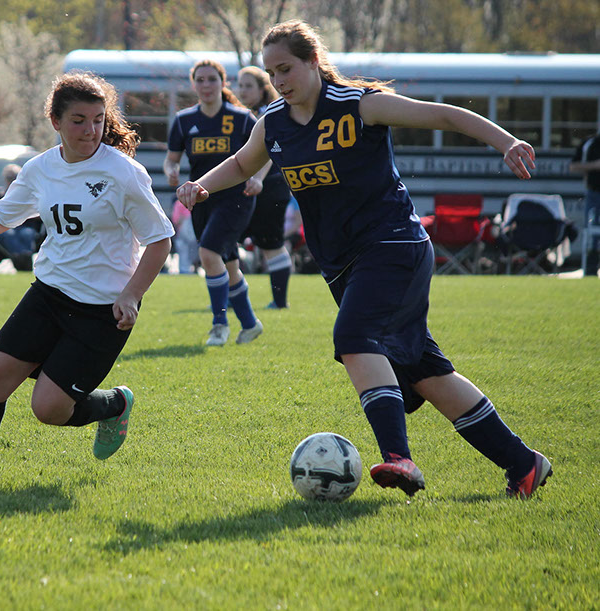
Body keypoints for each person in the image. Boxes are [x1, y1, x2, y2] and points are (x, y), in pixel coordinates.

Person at [176, 19, 551, 499]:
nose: (280, 80)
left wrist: (506, 141)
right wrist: (203, 184)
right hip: (344, 263)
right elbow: (243, 163)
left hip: (394, 245)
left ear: (313, 61)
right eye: (272, 73)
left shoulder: (359, 104)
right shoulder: (272, 122)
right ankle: (523, 463)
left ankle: (399, 458)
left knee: (354, 336)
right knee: (425, 372)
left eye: (287, 68)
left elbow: (446, 116)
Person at [0, 71, 173, 485]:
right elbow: (1, 216)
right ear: (55, 121)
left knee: (48, 409)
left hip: (102, 311)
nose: (91, 130)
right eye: (79, 120)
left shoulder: (123, 174)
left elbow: (160, 241)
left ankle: (114, 405)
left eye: (98, 120)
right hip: (48, 296)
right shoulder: (40, 168)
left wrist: (131, 294)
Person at [163, 59, 264, 347]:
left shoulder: (243, 119)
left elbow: (265, 152)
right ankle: (249, 323)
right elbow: (172, 160)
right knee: (227, 263)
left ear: (223, 83)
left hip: (237, 198)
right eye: (201, 80)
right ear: (193, 84)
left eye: (212, 79)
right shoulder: (184, 120)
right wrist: (172, 173)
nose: (206, 85)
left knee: (208, 252)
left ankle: (219, 324)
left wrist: (258, 178)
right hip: (200, 200)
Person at [236, 65, 293, 308]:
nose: (242, 91)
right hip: (246, 186)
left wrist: (258, 178)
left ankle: (279, 302)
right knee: (223, 242)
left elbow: (270, 151)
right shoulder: (238, 115)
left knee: (271, 244)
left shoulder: (269, 114)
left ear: (263, 89)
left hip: (270, 187)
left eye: (249, 86)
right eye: (240, 85)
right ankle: (228, 299)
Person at [0, 163, 43, 271]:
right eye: (9, 178)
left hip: (27, 226)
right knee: (8, 234)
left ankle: (24, 257)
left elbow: (40, 213)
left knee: (27, 234)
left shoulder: (30, 195)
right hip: (7, 228)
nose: (12, 181)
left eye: (15, 177)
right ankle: (20, 259)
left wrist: (26, 215)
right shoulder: (1, 197)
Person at [570, 130, 600, 277]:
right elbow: (573, 166)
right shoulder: (591, 143)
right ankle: (590, 270)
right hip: (594, 192)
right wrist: (594, 165)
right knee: (592, 232)